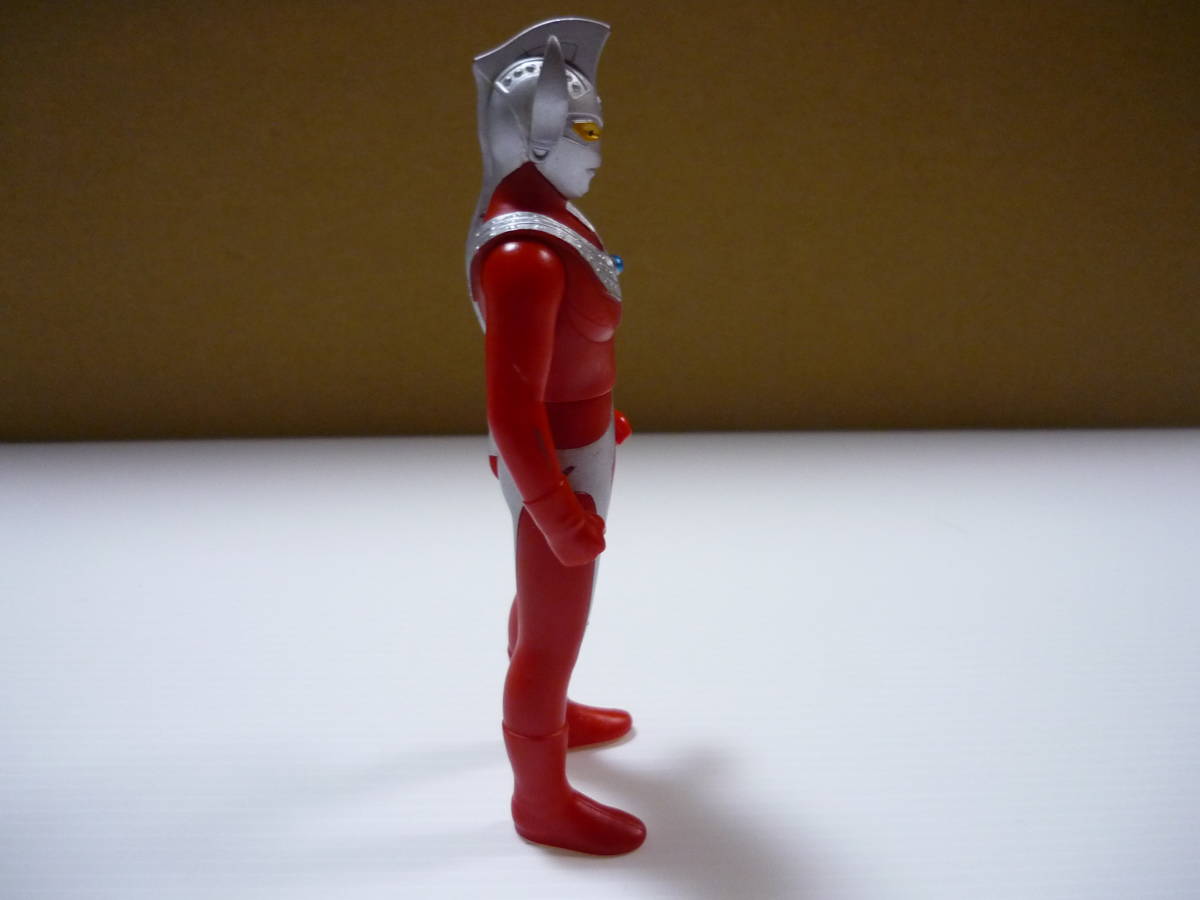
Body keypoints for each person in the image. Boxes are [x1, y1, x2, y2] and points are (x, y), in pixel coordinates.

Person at [465, 18, 645, 855]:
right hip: (555, 465)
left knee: (544, 609)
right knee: (552, 628)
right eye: (585, 130)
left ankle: (557, 709)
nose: (598, 149)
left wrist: (601, 424)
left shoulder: (556, 223)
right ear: (536, 133)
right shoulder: (525, 255)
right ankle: (539, 801)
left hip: (579, 449)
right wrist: (558, 510)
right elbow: (512, 410)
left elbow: (572, 355)